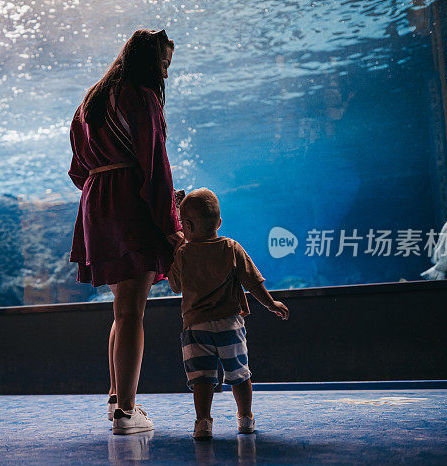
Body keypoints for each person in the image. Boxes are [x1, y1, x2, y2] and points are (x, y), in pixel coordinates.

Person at [68, 29, 182, 435]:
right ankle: (127, 413)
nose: (165, 75)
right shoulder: (140, 95)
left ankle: (117, 399)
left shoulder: (91, 100)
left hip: (96, 202)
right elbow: (155, 167)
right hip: (129, 203)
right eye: (163, 65)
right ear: (148, 61)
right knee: (133, 310)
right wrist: (172, 227)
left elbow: (77, 170)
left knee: (121, 309)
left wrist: (101, 193)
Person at [167, 188, 289, 440]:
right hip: (229, 323)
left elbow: (175, 285)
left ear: (186, 225)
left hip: (195, 328)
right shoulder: (231, 247)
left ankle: (203, 423)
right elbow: (253, 282)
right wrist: (270, 303)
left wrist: (179, 247)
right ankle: (245, 418)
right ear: (219, 222)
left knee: (201, 378)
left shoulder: (183, 254)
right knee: (239, 373)